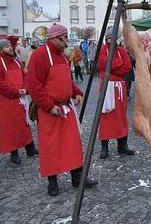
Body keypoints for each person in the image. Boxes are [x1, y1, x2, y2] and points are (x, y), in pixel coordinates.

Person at [28, 24, 97, 196]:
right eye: (64, 38)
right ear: (55, 38)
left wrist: (76, 92)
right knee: (51, 147)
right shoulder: (40, 56)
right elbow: (35, 86)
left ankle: (77, 178)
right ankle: (52, 182)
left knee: (72, 145)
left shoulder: (62, 56)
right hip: (49, 111)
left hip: (66, 108)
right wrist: (49, 107)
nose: (67, 41)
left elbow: (67, 80)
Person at [98, 27, 135, 159]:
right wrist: (116, 65)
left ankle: (122, 145)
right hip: (107, 87)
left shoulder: (122, 51)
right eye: (110, 38)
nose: (112, 40)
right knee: (106, 115)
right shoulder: (102, 50)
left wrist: (112, 68)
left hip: (119, 87)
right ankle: (104, 147)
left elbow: (127, 67)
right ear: (107, 38)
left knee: (121, 116)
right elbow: (102, 64)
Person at [0, 39, 38, 164]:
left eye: (10, 45)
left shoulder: (17, 62)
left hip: (21, 98)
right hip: (7, 101)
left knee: (26, 123)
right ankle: (14, 152)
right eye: (6, 46)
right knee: (11, 126)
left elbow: (25, 76)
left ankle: (30, 148)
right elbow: (1, 83)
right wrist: (16, 92)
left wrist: (26, 89)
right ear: (1, 50)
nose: (10, 48)